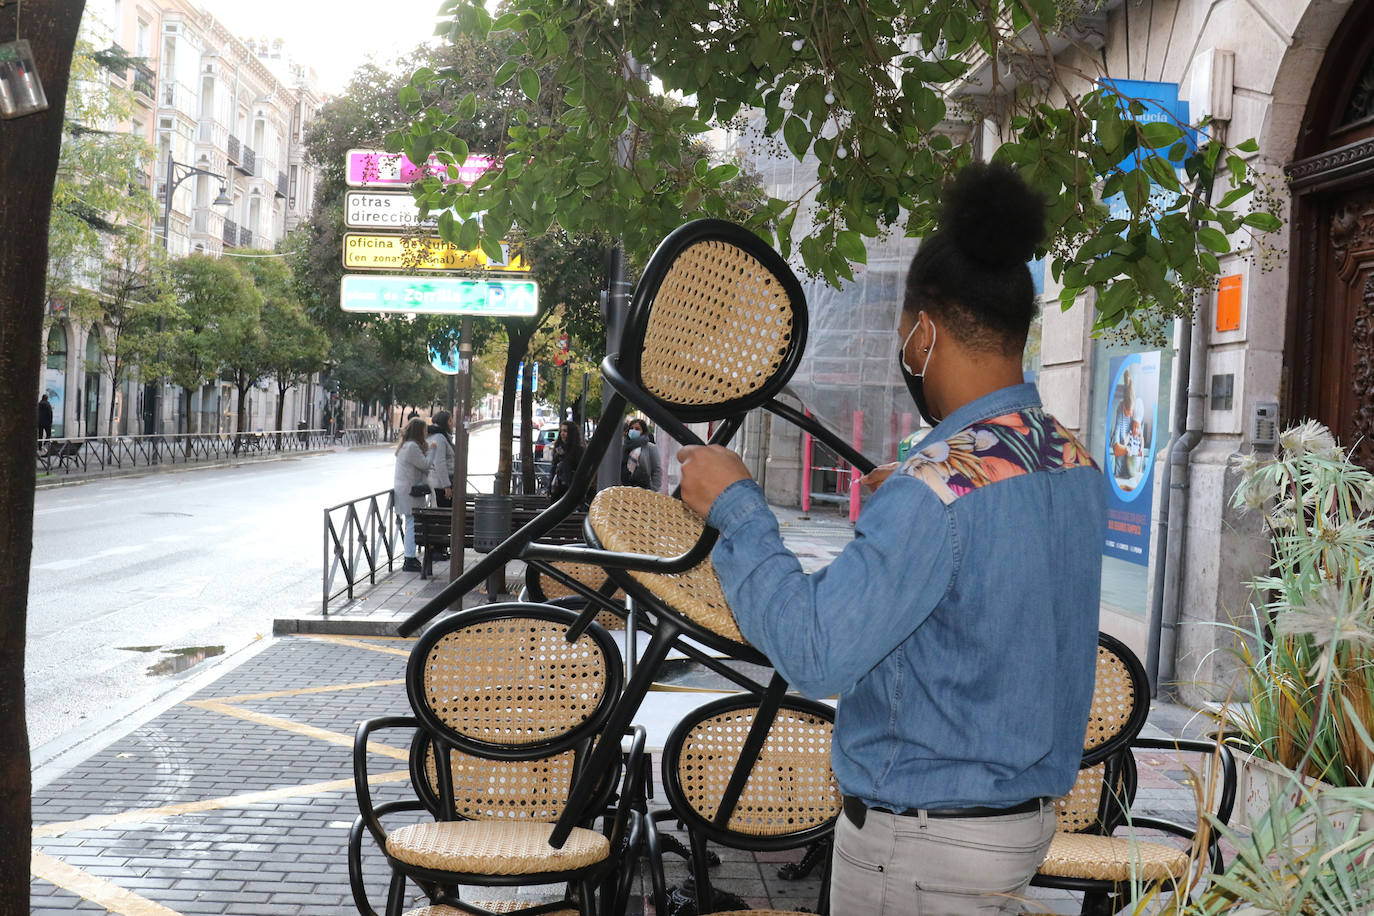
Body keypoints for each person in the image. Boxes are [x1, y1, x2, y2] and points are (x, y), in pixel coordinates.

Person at [678, 162, 1106, 916]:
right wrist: (908, 503)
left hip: (922, 848)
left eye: (904, 333)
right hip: (1017, 830)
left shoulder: (936, 488)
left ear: (924, 332)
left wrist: (738, 505)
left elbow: (815, 650)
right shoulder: (1070, 460)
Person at [393, 417, 430, 573]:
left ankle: (410, 557)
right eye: (425, 430)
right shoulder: (412, 447)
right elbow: (425, 465)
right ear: (419, 431)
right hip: (409, 491)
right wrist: (432, 450)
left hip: (405, 489)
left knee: (411, 522)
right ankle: (409, 558)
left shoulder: (407, 446)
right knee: (411, 523)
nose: (427, 433)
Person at [426, 412, 456, 561]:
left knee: (442, 516)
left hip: (440, 482)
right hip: (440, 484)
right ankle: (437, 549)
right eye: (451, 421)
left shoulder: (439, 437)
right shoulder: (440, 438)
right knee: (442, 517)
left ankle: (439, 547)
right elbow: (440, 463)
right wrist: (447, 486)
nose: (453, 423)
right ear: (446, 422)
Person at [621, 418, 662, 491]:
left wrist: (654, 489)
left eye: (637, 429)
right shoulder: (624, 447)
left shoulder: (650, 447)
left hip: (644, 489)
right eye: (631, 428)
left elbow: (657, 470)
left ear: (643, 431)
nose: (633, 431)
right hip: (624, 488)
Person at [548, 420, 583, 502]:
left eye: (565, 431)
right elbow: (553, 470)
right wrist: (549, 488)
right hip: (557, 488)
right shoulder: (558, 448)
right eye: (561, 431)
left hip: (570, 489)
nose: (562, 434)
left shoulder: (578, 451)